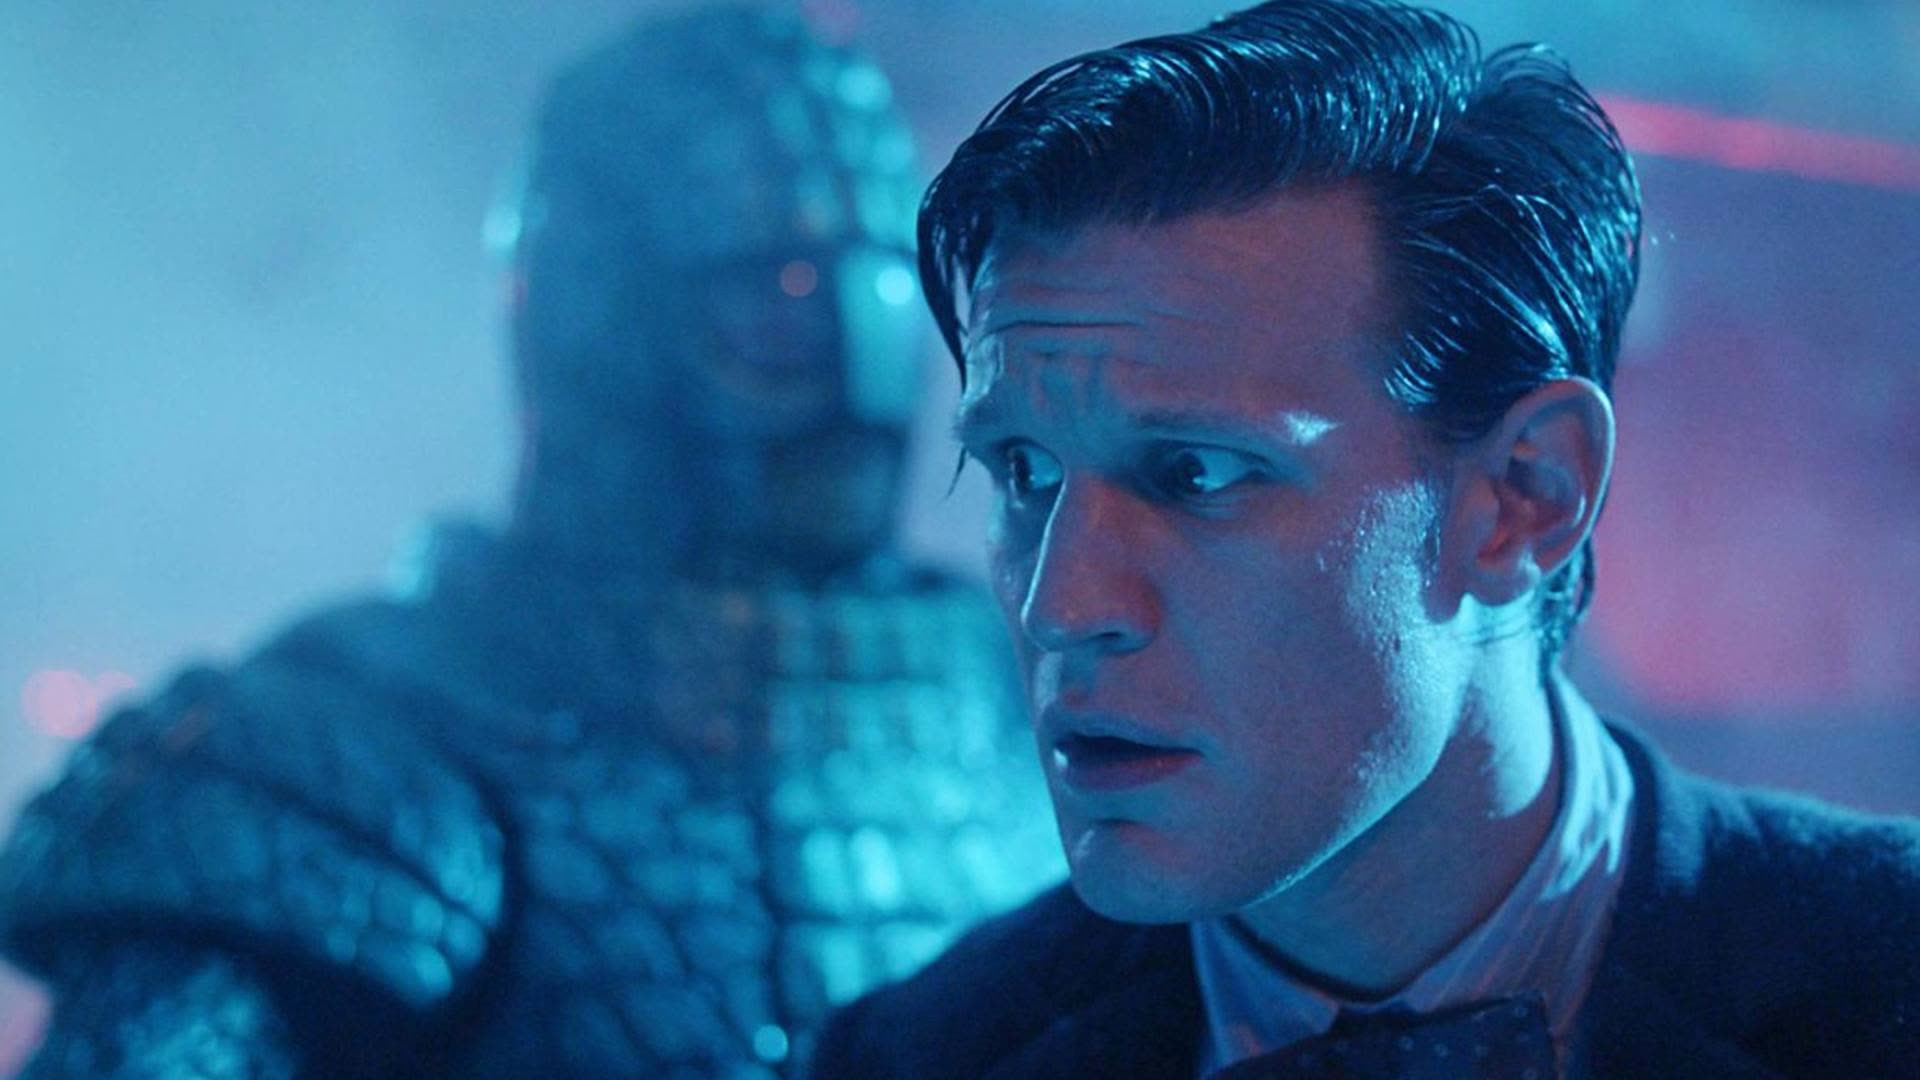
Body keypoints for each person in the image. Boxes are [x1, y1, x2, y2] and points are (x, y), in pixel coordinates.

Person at [811, 1, 1920, 1076]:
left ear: (1527, 495)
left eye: (1196, 474)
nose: (1060, 605)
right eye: (1025, 471)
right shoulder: (924, 1055)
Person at [0, 7, 1060, 1078]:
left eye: (883, 292)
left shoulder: (1028, 704)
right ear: (607, 323)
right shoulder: (356, 751)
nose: (853, 381)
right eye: (777, 302)